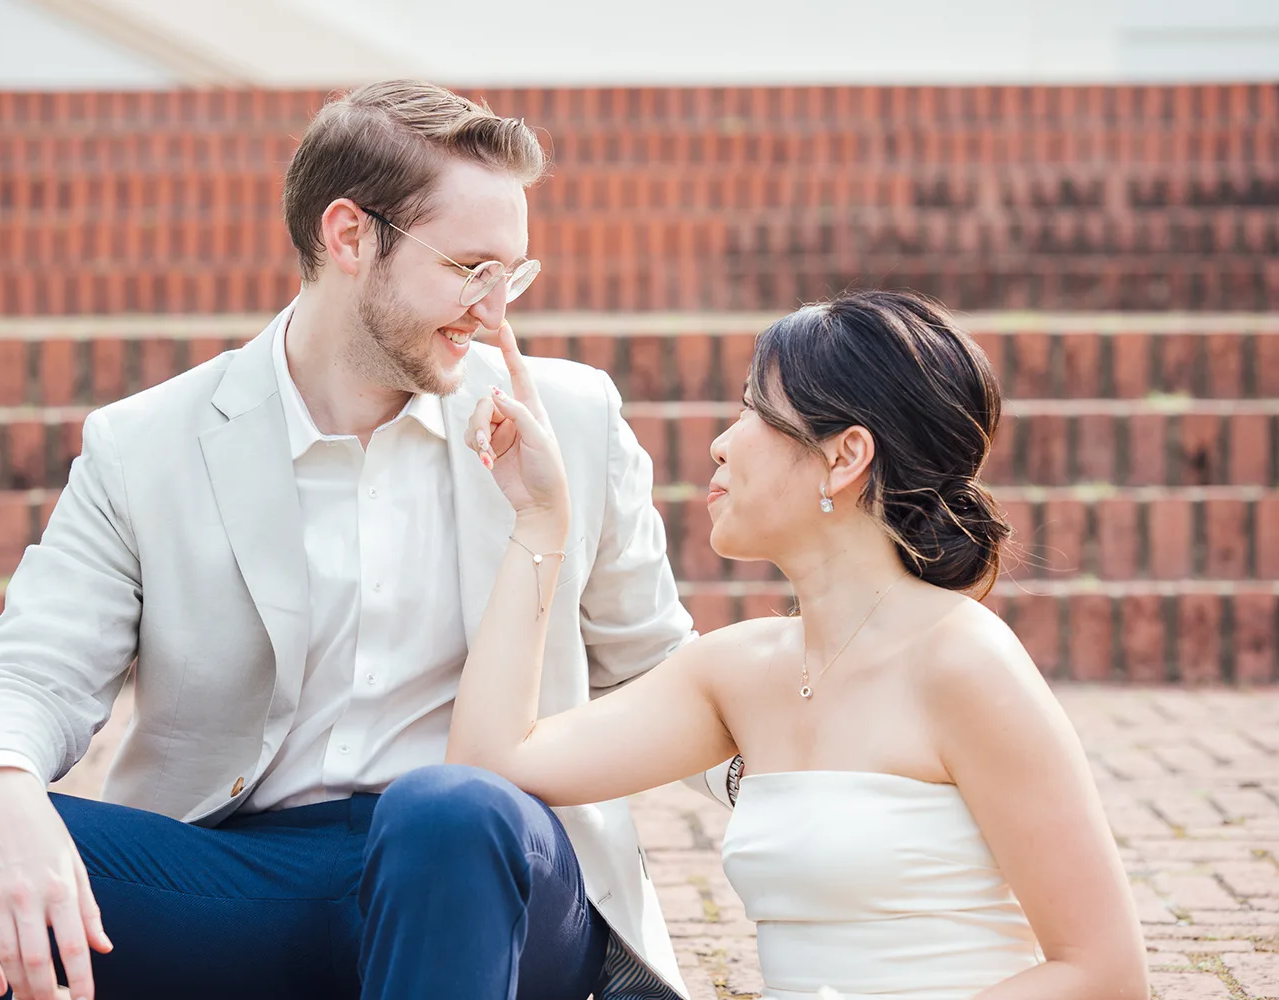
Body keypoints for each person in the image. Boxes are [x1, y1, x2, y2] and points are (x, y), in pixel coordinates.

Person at [0, 80, 707, 1000]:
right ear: (348, 236)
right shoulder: (147, 444)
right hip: (247, 881)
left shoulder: (569, 418)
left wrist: (827, 774)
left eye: (512, 274)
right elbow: (27, 672)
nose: (495, 312)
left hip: (492, 877)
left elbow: (663, 675)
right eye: (469, 270)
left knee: (447, 812)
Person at [446, 290, 1150, 1000]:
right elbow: (489, 766)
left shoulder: (963, 661)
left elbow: (1106, 972)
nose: (722, 442)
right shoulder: (736, 672)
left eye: (754, 410)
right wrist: (540, 521)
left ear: (845, 457)